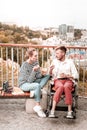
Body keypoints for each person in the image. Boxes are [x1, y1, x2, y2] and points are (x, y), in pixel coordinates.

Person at [18, 48, 50, 118]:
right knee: (37, 85)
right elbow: (29, 81)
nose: (36, 57)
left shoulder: (36, 62)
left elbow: (38, 76)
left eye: (37, 55)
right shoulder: (24, 65)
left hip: (32, 82)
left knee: (48, 76)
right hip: (24, 84)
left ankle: (35, 90)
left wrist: (42, 74)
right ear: (30, 56)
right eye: (35, 56)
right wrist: (34, 71)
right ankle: (37, 106)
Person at [49, 46, 79, 118]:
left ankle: (69, 112)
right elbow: (50, 75)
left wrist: (68, 75)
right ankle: (52, 111)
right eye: (56, 53)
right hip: (58, 80)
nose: (56, 55)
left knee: (66, 86)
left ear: (63, 53)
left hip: (68, 80)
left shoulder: (70, 62)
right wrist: (50, 70)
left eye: (57, 53)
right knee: (61, 86)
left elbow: (76, 75)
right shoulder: (54, 61)